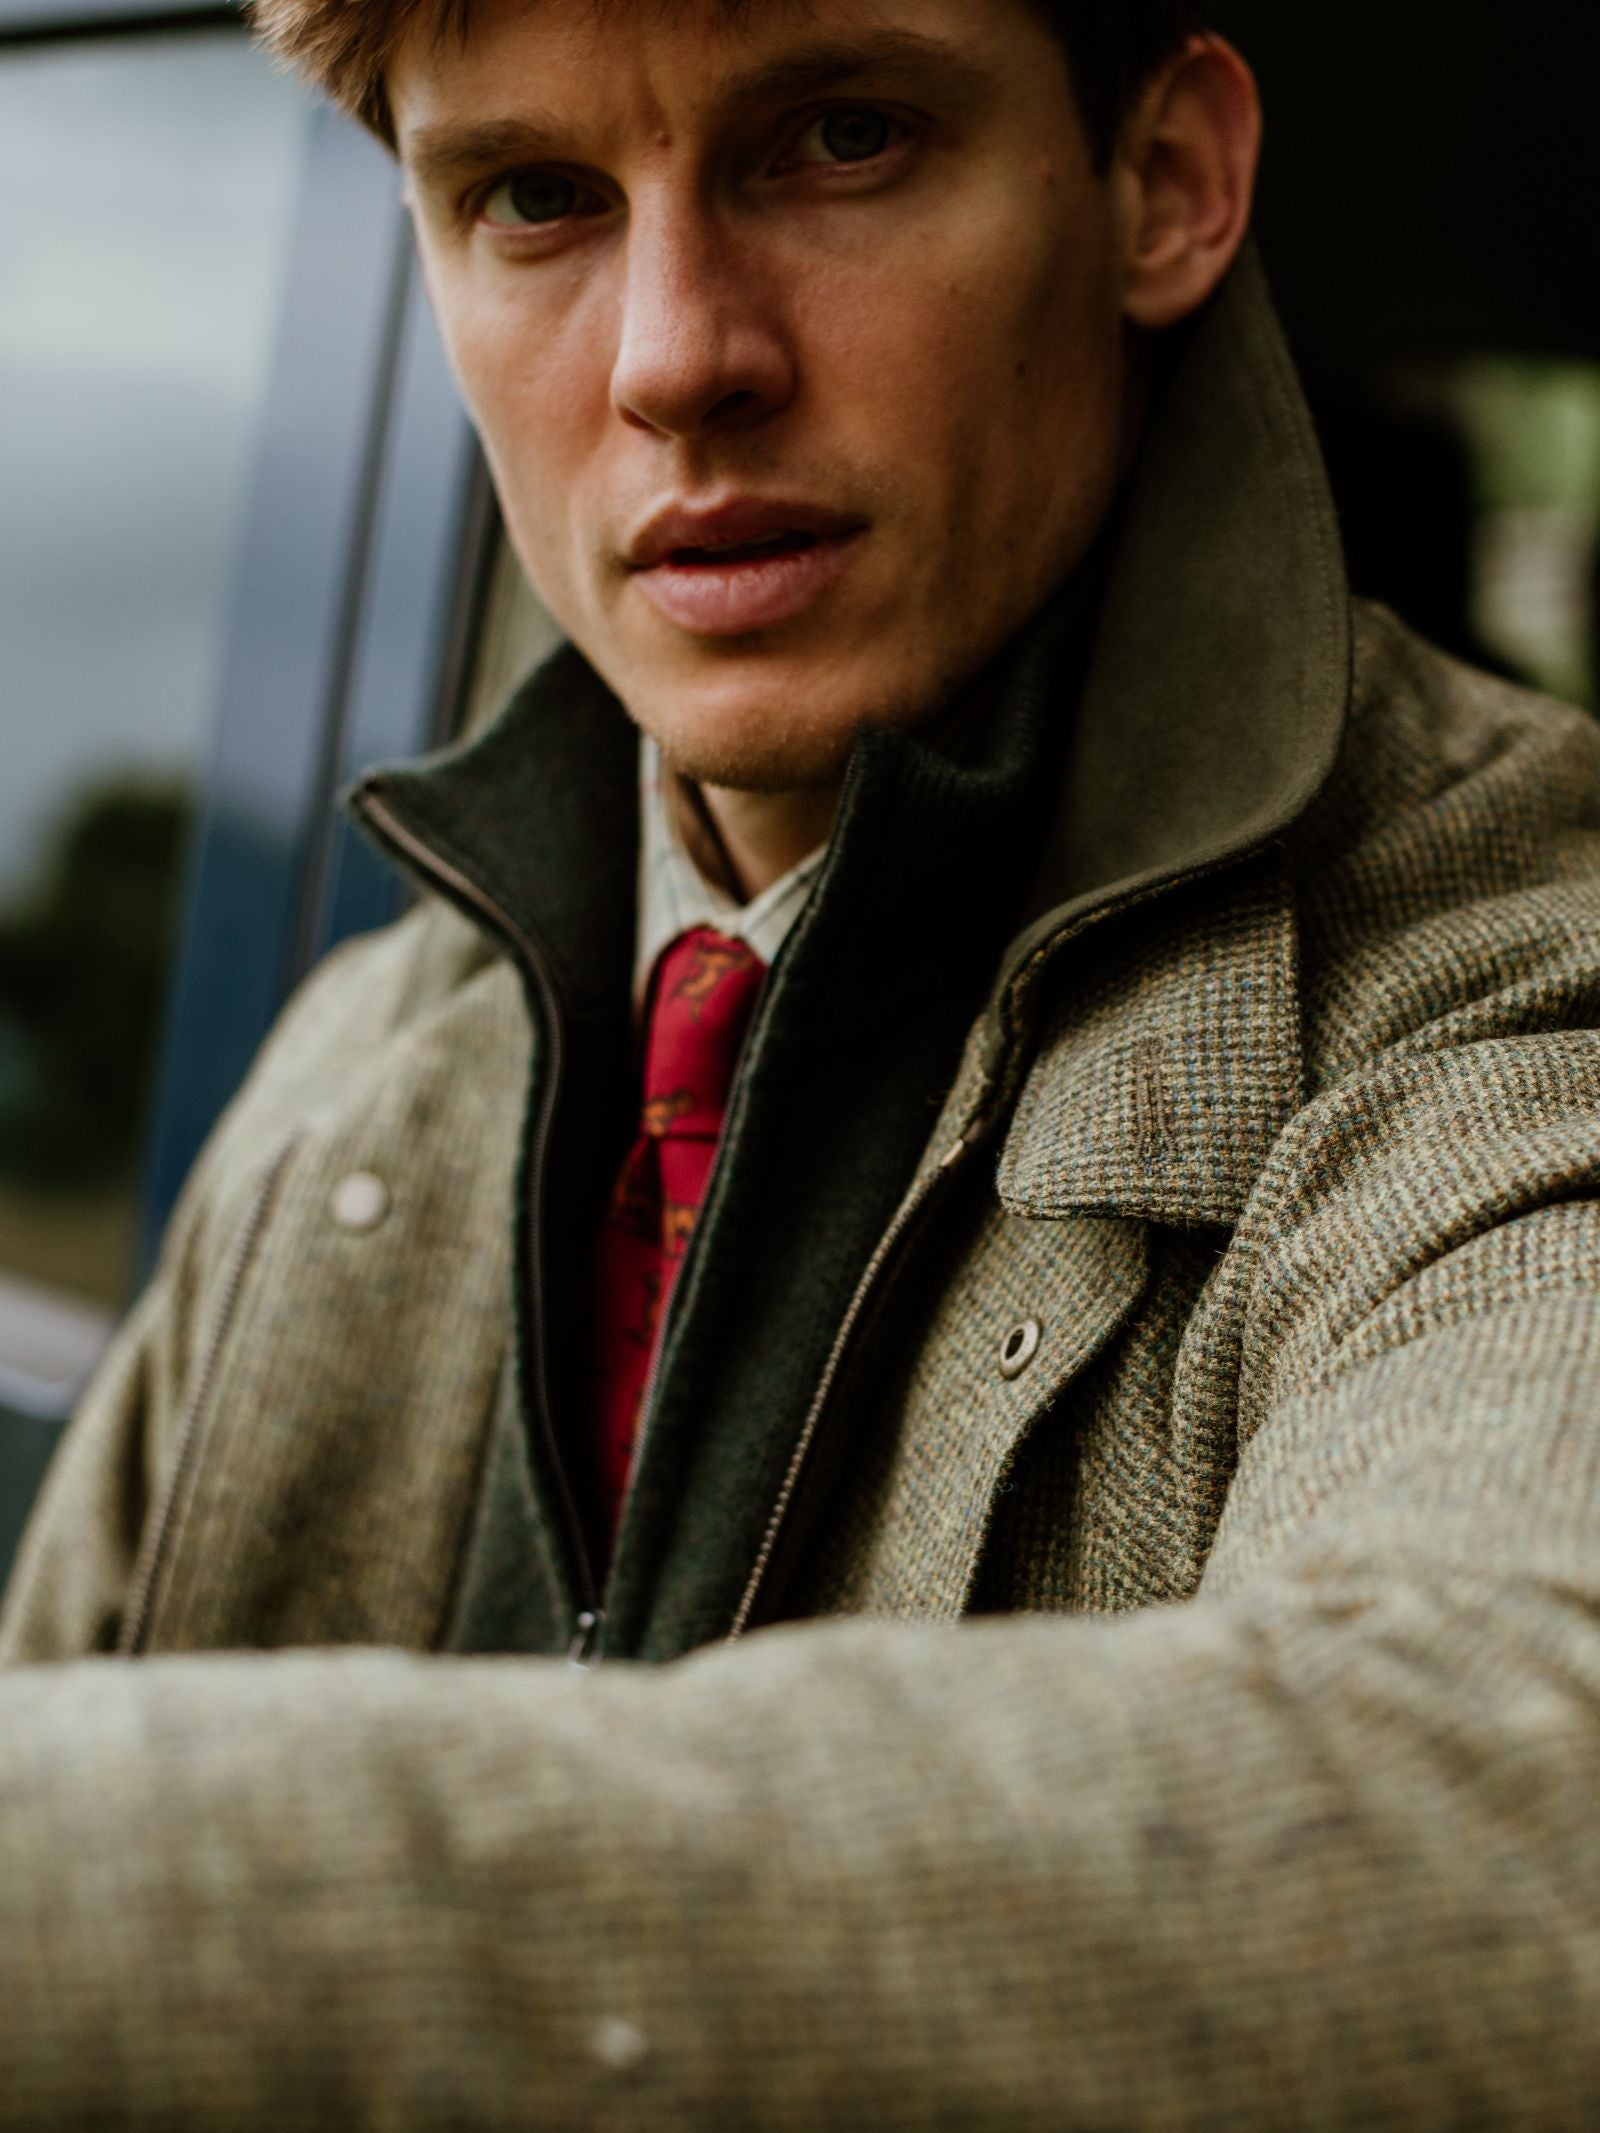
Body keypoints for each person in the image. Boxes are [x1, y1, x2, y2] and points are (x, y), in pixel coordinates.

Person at [3, 0, 1600, 2122]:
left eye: (841, 139)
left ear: (1165, 184)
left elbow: (1512, 1812)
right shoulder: (351, 1075)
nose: (673, 354)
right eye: (534, 198)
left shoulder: (1502, 977)